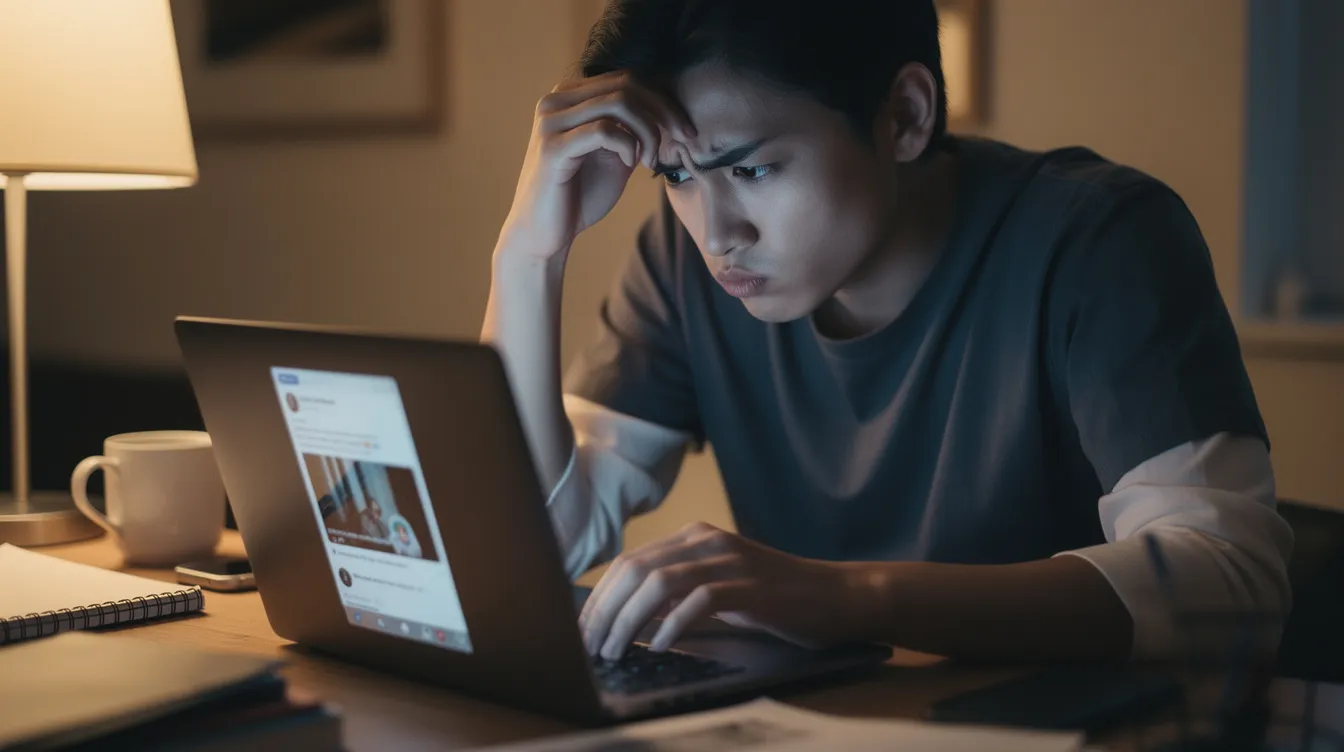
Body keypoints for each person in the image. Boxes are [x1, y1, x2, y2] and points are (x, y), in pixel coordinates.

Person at [480, 0, 1293, 663]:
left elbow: (1230, 585)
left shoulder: (1097, 240)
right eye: (677, 176)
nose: (716, 229)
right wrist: (527, 255)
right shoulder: (687, 262)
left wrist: (849, 599)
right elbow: (533, 550)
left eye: (752, 169)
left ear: (904, 114)